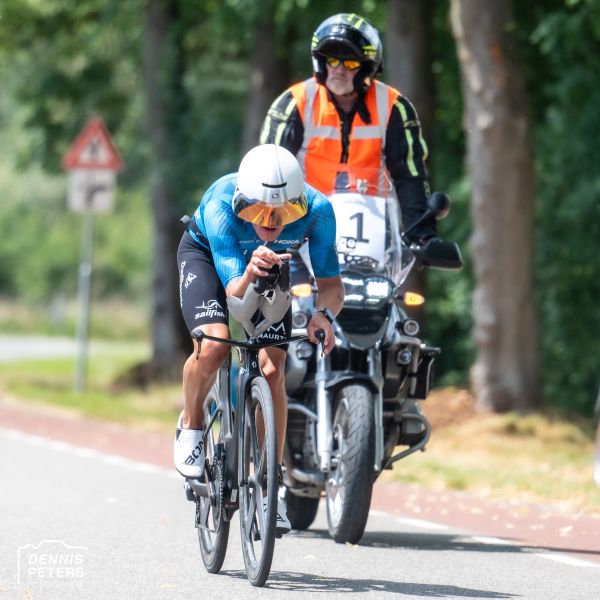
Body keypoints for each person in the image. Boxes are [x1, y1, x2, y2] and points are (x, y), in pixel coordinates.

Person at [174, 143, 344, 532]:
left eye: (283, 213)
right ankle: (192, 421)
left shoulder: (318, 211)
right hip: (211, 259)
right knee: (214, 345)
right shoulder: (221, 204)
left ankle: (270, 484)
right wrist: (249, 271)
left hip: (270, 267)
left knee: (272, 369)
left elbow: (332, 286)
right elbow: (235, 295)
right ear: (242, 200)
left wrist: (323, 315)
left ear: (298, 204)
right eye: (257, 210)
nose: (270, 221)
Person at [260, 12, 437, 244]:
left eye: (350, 62)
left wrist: (422, 237)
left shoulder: (394, 106)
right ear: (321, 62)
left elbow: (409, 175)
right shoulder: (294, 103)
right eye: (332, 60)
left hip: (376, 240)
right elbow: (268, 172)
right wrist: (267, 231)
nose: (339, 69)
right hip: (302, 234)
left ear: (367, 68)